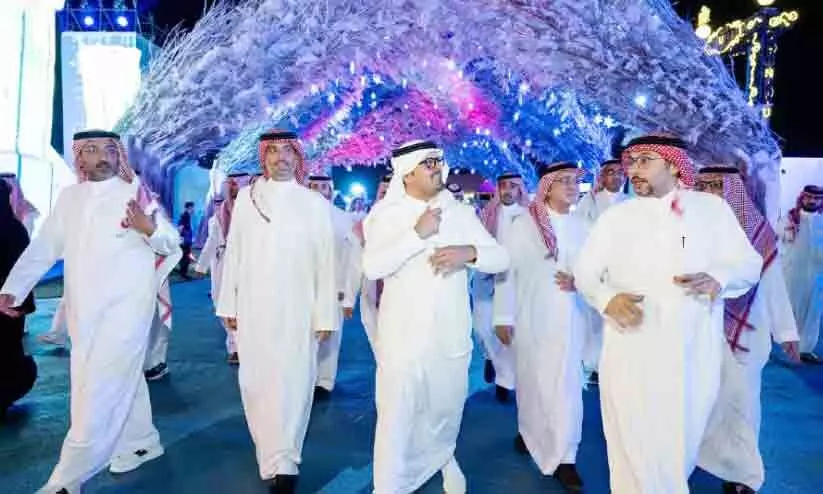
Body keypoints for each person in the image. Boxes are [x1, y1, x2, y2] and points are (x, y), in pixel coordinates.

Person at [573, 134, 762, 494]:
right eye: (631, 161)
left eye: (645, 161)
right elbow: (585, 271)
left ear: (675, 166)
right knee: (631, 441)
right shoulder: (617, 216)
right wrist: (607, 299)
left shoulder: (710, 211)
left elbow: (749, 264)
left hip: (691, 354)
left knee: (677, 445)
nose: (634, 169)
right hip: (631, 348)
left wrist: (718, 277)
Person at [0, 129, 181, 493]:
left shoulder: (137, 192)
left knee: (96, 387)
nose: (100, 157)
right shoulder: (70, 198)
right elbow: (45, 247)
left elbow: (171, 242)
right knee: (112, 376)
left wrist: (149, 229)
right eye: (91, 150)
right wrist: (13, 288)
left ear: (118, 156)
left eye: (108, 150)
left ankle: (68, 478)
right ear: (79, 157)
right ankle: (141, 441)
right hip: (84, 309)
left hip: (128, 309)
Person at [362, 140, 509, 494]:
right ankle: (387, 486)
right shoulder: (385, 215)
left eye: (439, 161)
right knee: (396, 415)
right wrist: (417, 234)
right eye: (428, 163)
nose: (437, 168)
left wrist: (469, 252)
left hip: (450, 333)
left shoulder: (459, 212)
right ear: (407, 174)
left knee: (444, 410)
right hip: (402, 337)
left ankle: (442, 457)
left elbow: (501, 258)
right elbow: (372, 267)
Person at [216, 130, 336, 493]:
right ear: (263, 158)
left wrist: (325, 314)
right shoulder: (248, 200)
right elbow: (234, 253)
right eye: (273, 151)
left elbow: (326, 262)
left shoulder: (313, 203)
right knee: (256, 381)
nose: (281, 158)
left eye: (288, 151)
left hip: (300, 307)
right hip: (254, 307)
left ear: (298, 159)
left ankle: (286, 459)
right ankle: (269, 452)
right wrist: (228, 303)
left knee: (296, 380)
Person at [694, 165, 800, 494]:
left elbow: (773, 283)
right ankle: (701, 459)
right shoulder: (688, 229)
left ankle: (743, 476)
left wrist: (786, 332)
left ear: (733, 190)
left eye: (717, 185)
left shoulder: (757, 231)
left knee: (742, 403)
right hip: (701, 329)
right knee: (704, 400)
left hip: (748, 333)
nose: (710, 192)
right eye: (704, 185)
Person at [493, 162, 589, 491]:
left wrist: (582, 282)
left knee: (566, 386)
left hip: (571, 320)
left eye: (575, 181)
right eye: (564, 181)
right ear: (547, 187)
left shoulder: (583, 225)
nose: (572, 187)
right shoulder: (523, 225)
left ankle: (566, 457)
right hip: (531, 318)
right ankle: (529, 432)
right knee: (532, 381)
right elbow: (507, 272)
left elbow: (596, 270)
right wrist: (502, 316)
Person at [475, 172, 529, 401]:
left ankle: (504, 380)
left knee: (508, 332)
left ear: (519, 190)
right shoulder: (487, 214)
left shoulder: (529, 216)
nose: (507, 190)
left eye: (512, 186)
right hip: (487, 280)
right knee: (483, 328)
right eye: (503, 186)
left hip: (513, 281)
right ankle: (490, 357)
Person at [307, 171, 361, 399]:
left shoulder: (344, 219)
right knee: (303, 338)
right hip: (304, 289)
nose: (319, 192)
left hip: (334, 288)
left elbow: (353, 260)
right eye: (313, 187)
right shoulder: (296, 219)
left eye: (323, 187)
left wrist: (349, 296)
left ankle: (324, 381)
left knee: (329, 340)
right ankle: (304, 380)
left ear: (330, 190)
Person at [574, 159, 628, 383]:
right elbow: (579, 229)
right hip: (596, 271)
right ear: (602, 177)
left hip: (623, 271)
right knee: (594, 322)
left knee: (619, 320)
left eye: (619, 173)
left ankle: (616, 367)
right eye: (610, 172)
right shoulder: (590, 201)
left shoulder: (631, 202)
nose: (615, 177)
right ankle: (593, 366)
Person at [195, 173, 245, 364]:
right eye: (230, 185)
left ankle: (240, 348)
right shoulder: (217, 216)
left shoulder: (251, 213)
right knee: (223, 303)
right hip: (222, 263)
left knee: (243, 305)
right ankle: (233, 344)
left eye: (237, 184)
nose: (233, 188)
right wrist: (201, 265)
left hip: (245, 265)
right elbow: (211, 241)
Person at [0, 179, 37, 418]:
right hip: (11, 306)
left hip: (8, 305)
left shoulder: (15, 229)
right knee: (9, 352)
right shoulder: (15, 229)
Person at [780, 185, 823, 364]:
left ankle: (806, 350)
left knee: (813, 312)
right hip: (793, 272)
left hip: (817, 274)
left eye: (816, 198)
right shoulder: (791, 217)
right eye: (809, 197)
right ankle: (790, 348)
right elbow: (779, 237)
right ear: (802, 198)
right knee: (792, 310)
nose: (812, 201)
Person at [355, 173, 392, 352]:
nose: (386, 198)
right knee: (378, 345)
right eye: (383, 193)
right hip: (372, 294)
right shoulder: (364, 224)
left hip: (401, 298)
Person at [177, 201, 195, 279]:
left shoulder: (187, 216)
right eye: (192, 208)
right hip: (185, 240)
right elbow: (180, 228)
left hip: (187, 240)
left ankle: (183, 273)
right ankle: (183, 274)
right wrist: (181, 238)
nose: (193, 210)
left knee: (186, 256)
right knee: (185, 257)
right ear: (189, 208)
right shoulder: (185, 216)